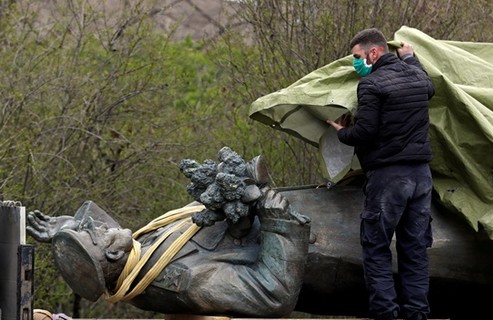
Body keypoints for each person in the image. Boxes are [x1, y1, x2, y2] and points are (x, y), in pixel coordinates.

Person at [26, 151, 311, 317]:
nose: (95, 224)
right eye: (92, 232)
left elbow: (112, 247)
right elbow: (273, 294)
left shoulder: (145, 247)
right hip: (328, 244)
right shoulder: (181, 281)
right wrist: (279, 223)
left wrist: (67, 230)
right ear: (112, 253)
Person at [326, 28, 435, 320]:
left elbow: (366, 132)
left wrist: (342, 132)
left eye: (357, 57)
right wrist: (411, 59)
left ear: (373, 53)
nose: (356, 64)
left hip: (389, 177)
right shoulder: (416, 76)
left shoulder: (371, 85)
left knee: (376, 249)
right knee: (415, 251)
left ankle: (386, 314)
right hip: (422, 177)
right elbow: (430, 88)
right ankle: (417, 315)